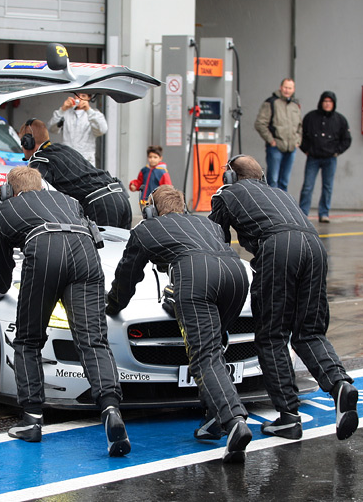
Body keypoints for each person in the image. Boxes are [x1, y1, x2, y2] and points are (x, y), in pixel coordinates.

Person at [0, 165, 130, 457]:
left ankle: (32, 419)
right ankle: (111, 408)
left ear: (9, 191)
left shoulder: (4, 213)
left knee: (28, 339)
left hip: (44, 252)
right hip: (85, 256)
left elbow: (1, 267)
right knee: (92, 339)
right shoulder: (69, 201)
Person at [209, 155, 359, 441]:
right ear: (262, 177)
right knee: (309, 332)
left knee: (271, 335)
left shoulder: (226, 194)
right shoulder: (280, 193)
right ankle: (339, 385)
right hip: (315, 247)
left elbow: (217, 245)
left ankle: (289, 417)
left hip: (278, 247)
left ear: (230, 177)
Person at [105, 185, 252, 463]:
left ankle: (234, 421)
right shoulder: (206, 224)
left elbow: (127, 277)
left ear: (150, 210)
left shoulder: (146, 229)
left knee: (204, 357)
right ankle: (214, 420)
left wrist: (112, 305)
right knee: (214, 346)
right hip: (236, 276)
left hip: (196, 278)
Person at [20, 118, 131, 229]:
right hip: (120, 196)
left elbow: (34, 195)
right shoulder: (64, 149)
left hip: (101, 205)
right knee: (123, 246)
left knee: (100, 246)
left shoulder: (40, 159)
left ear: (28, 142)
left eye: (22, 143)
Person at [298, 91, 351, 223]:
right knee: (308, 186)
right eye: (325, 101)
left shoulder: (340, 120)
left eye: (330, 102)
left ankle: (324, 213)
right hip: (313, 158)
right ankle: (303, 213)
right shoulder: (310, 117)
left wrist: (336, 151)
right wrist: (306, 149)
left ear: (334, 104)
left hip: (330, 159)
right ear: (321, 102)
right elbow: (300, 135)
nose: (327, 104)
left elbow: (347, 139)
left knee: (327, 187)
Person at [254, 78, 302, 191]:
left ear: (293, 90)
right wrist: (271, 140)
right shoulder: (271, 102)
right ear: (281, 87)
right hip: (276, 148)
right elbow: (260, 124)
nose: (287, 90)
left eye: (290, 88)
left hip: (291, 149)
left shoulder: (295, 105)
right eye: (285, 87)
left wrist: (298, 141)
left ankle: (282, 207)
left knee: (284, 181)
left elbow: (300, 125)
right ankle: (272, 207)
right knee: (273, 181)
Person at [47, 93, 107, 166]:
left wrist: (88, 110)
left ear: (89, 98)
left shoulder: (94, 114)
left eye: (83, 96)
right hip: (67, 158)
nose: (79, 98)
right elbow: (51, 128)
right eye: (78, 95)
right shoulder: (66, 113)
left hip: (86, 161)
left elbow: (103, 129)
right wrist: (62, 110)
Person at [128, 145, 172, 213]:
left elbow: (167, 187)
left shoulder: (162, 172)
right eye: (150, 157)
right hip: (144, 200)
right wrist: (135, 185)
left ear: (160, 158)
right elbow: (140, 182)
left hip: (156, 201)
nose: (152, 159)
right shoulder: (144, 170)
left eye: (155, 157)